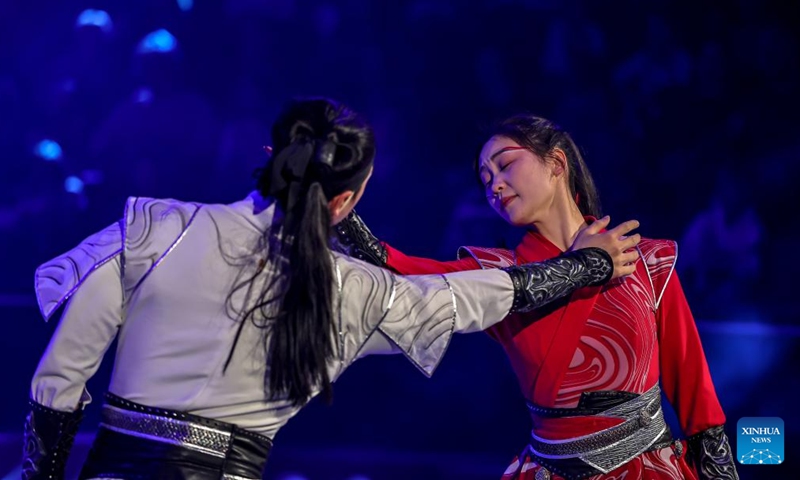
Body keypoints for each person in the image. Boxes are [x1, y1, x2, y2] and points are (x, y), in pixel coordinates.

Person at [23, 98, 641, 480]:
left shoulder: (152, 229)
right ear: (346, 201)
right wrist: (585, 267)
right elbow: (472, 298)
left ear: (272, 154)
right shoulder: (350, 290)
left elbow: (58, 382)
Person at [336, 113, 738, 480]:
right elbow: (402, 275)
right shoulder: (496, 275)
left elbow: (694, 388)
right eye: (485, 177)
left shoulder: (647, 259)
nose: (493, 183)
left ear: (557, 164)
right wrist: (334, 201)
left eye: (505, 165)